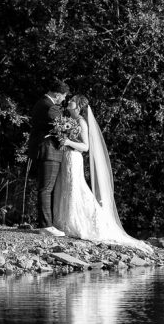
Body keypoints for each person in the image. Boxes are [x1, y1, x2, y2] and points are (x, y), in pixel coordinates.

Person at [53, 95, 152, 253]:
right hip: (65, 157)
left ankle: (77, 223)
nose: (68, 101)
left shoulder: (81, 122)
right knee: (65, 187)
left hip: (74, 157)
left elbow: (85, 147)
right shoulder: (67, 119)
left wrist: (68, 142)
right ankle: (63, 223)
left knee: (75, 188)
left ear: (78, 106)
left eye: (71, 100)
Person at [28, 79, 70, 237]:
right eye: (64, 96)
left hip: (44, 149)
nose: (64, 99)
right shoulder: (49, 107)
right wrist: (69, 131)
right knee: (46, 188)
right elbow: (61, 128)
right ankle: (46, 226)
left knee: (45, 188)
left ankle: (46, 224)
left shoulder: (42, 103)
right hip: (48, 150)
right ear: (57, 94)